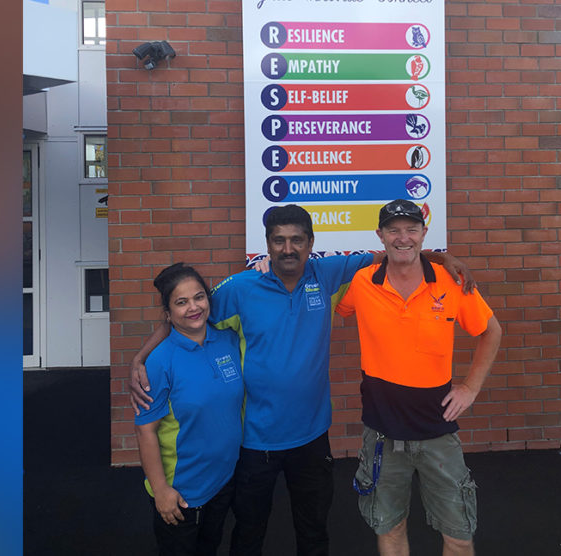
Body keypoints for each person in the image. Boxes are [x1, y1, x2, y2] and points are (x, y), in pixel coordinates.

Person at [130, 204, 474, 556]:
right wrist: (141, 357)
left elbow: (394, 251)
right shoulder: (240, 288)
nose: (288, 248)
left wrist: (442, 260)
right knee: (249, 532)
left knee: (313, 531)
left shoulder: (327, 274)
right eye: (278, 240)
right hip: (255, 442)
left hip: (311, 438)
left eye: (296, 240)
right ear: (267, 243)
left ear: (311, 243)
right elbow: (186, 312)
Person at [335, 199, 502, 556]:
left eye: (411, 229)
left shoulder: (451, 282)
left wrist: (471, 387)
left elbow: (491, 332)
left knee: (458, 536)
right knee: (390, 529)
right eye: (393, 230)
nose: (403, 237)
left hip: (437, 432)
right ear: (380, 235)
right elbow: (333, 305)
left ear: (424, 233)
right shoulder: (362, 282)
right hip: (381, 432)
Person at [133, 263, 244, 556]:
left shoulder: (228, 341)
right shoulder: (160, 362)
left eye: (199, 297)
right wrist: (161, 492)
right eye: (181, 302)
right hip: (181, 492)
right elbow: (145, 430)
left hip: (222, 481)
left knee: (209, 548)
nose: (193, 307)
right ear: (168, 314)